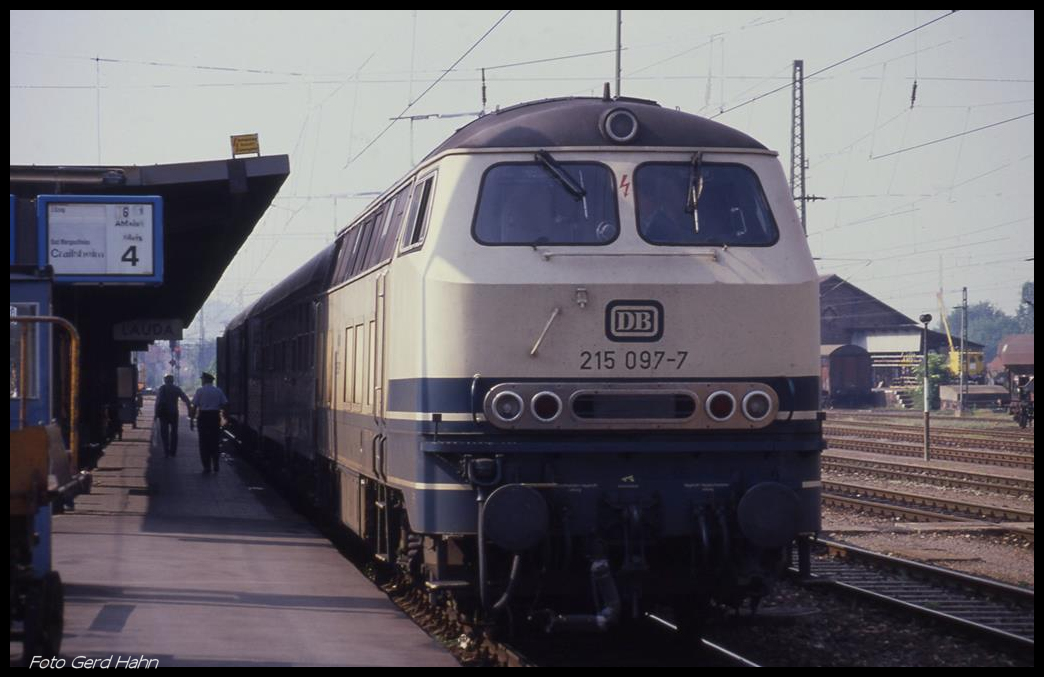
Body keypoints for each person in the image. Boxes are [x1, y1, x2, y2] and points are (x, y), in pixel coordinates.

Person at [191, 372, 228, 473]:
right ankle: (216, 463)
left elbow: (194, 406)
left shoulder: (200, 391)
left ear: (205, 380)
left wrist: (191, 420)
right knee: (215, 442)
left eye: (202, 379)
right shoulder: (218, 391)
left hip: (203, 417)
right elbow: (225, 404)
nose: (202, 381)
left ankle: (207, 466)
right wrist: (224, 417)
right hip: (214, 417)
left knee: (204, 443)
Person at [154, 374, 192, 457]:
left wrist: (156, 414)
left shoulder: (162, 388)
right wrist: (190, 411)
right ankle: (173, 452)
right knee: (174, 433)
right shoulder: (176, 389)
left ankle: (166, 451)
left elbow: (158, 402)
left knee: (164, 433)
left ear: (165, 380)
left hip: (164, 414)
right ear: (172, 380)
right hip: (174, 413)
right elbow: (186, 399)